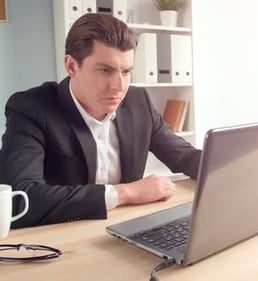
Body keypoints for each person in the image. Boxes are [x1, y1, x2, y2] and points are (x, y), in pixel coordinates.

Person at [0, 13, 201, 229]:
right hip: (62, 238)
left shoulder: (138, 101)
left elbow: (184, 157)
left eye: (126, 72)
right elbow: (20, 199)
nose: (119, 86)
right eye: (105, 70)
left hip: (125, 228)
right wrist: (126, 192)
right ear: (71, 66)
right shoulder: (31, 108)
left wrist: (234, 170)